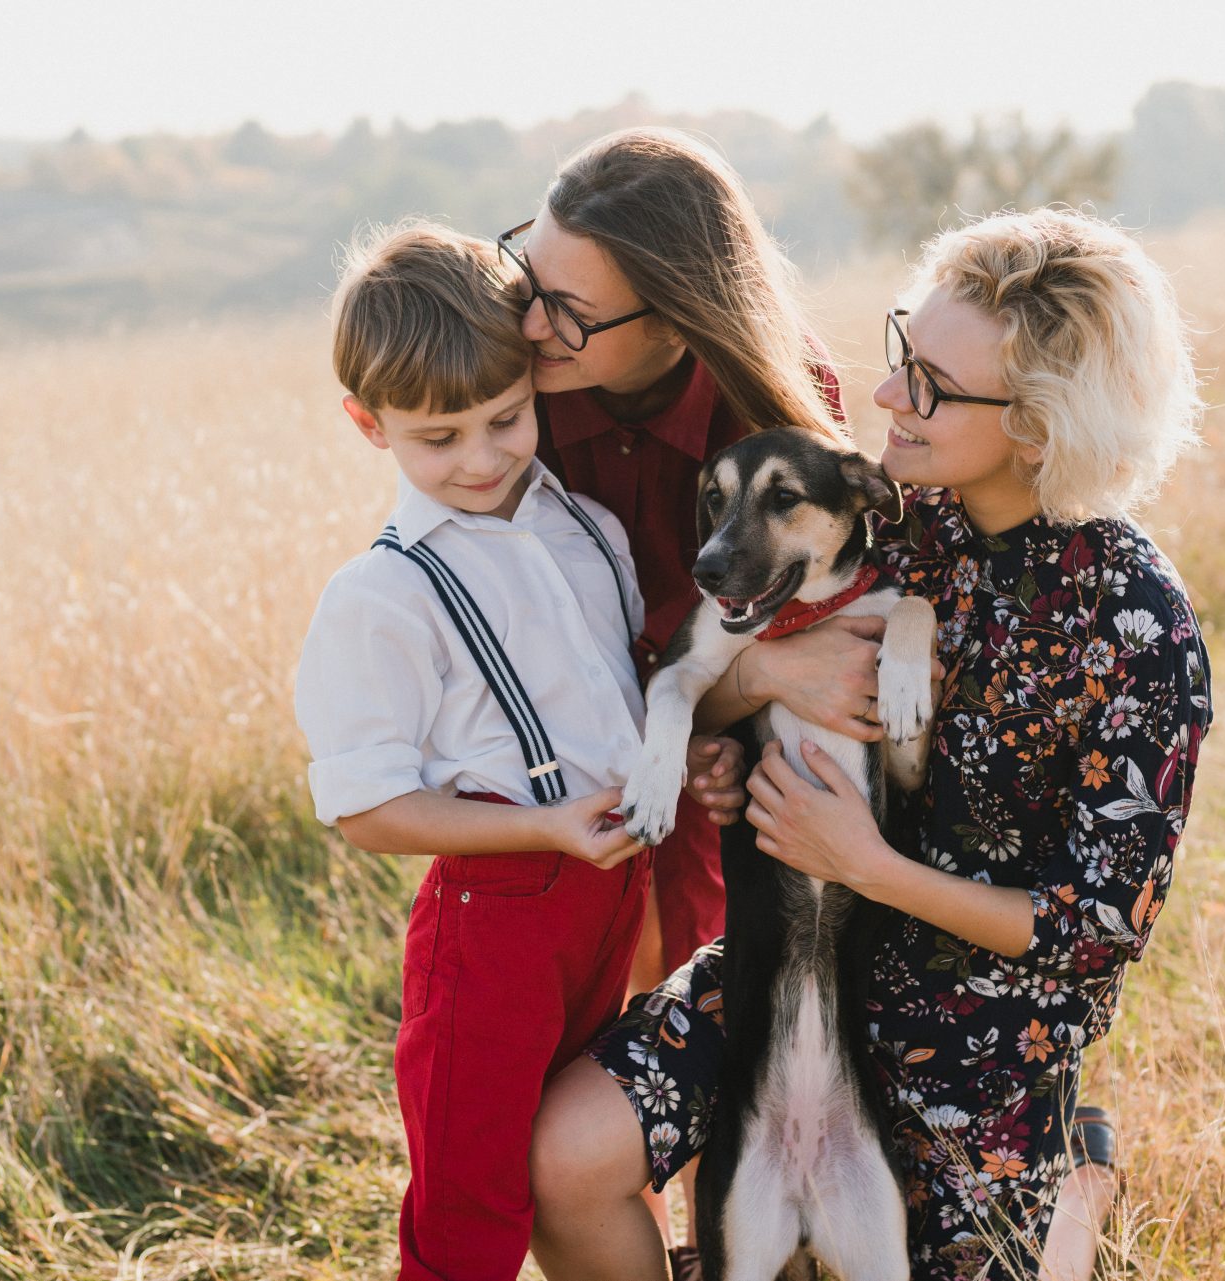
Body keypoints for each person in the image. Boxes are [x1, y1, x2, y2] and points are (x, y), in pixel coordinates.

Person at [530, 208, 1212, 1281]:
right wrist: (737, 710)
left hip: (986, 1037)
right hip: (781, 972)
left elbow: (1094, 933)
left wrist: (870, 865)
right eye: (904, 353)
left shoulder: (1138, 625)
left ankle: (1076, 1189)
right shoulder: (875, 518)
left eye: (932, 385)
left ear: (1038, 423)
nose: (887, 394)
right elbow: (699, 677)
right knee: (561, 1160)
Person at [294, 223, 738, 1281]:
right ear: (370, 425)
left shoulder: (587, 530)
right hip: (491, 928)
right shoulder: (383, 596)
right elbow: (366, 811)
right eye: (438, 438)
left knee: (577, 1154)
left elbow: (625, 708)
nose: (483, 459)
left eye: (506, 419)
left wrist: (686, 763)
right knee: (470, 1206)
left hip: (607, 903)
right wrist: (540, 826)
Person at [501, 129, 880, 1270]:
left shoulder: (778, 402)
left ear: (675, 317)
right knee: (562, 1083)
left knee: (726, 1047)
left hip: (730, 775)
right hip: (564, 760)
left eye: (572, 314)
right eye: (531, 279)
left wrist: (739, 695)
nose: (531, 326)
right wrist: (745, 676)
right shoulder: (515, 388)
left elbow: (835, 651)